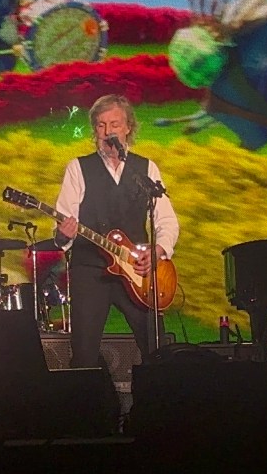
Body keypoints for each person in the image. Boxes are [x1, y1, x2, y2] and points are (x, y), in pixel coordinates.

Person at [53, 94, 180, 369]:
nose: (107, 132)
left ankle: (159, 394)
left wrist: (157, 252)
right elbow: (63, 228)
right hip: (90, 270)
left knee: (156, 349)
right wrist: (64, 234)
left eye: (114, 124)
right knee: (84, 353)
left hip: (137, 270)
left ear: (128, 128)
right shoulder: (78, 168)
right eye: (101, 125)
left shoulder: (146, 168)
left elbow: (167, 221)